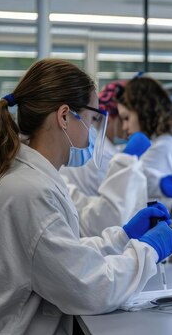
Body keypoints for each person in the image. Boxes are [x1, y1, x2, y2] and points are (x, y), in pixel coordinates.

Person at [0, 59, 172, 335]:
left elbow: (58, 254)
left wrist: (123, 236)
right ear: (65, 116)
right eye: (93, 119)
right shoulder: (29, 191)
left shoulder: (27, 178)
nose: (95, 132)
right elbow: (87, 288)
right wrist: (147, 252)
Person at [60, 80, 150, 237]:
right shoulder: (99, 155)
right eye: (124, 118)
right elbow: (105, 217)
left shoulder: (108, 150)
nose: (125, 128)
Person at [118, 76, 172, 206]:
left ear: (143, 111)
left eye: (127, 118)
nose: (124, 127)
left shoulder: (162, 146)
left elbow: (127, 189)